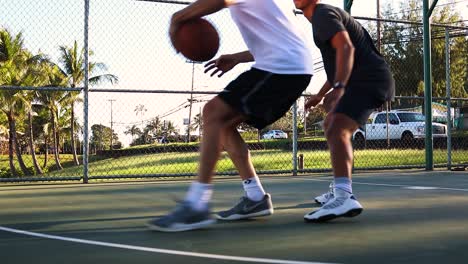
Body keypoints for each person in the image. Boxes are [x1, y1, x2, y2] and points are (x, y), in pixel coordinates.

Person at [147, 0, 314, 232]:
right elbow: (276, 38)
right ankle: (255, 197)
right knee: (223, 125)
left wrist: (179, 17)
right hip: (286, 65)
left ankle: (196, 205)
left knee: (213, 112)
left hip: (282, 67)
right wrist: (237, 57)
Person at [293, 0, 395, 222]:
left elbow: (346, 48)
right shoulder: (320, 19)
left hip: (369, 80)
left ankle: (343, 195)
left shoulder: (322, 13)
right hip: (366, 79)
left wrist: (340, 87)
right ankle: (339, 187)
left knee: (336, 125)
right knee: (334, 120)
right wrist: (322, 93)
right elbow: (337, 63)